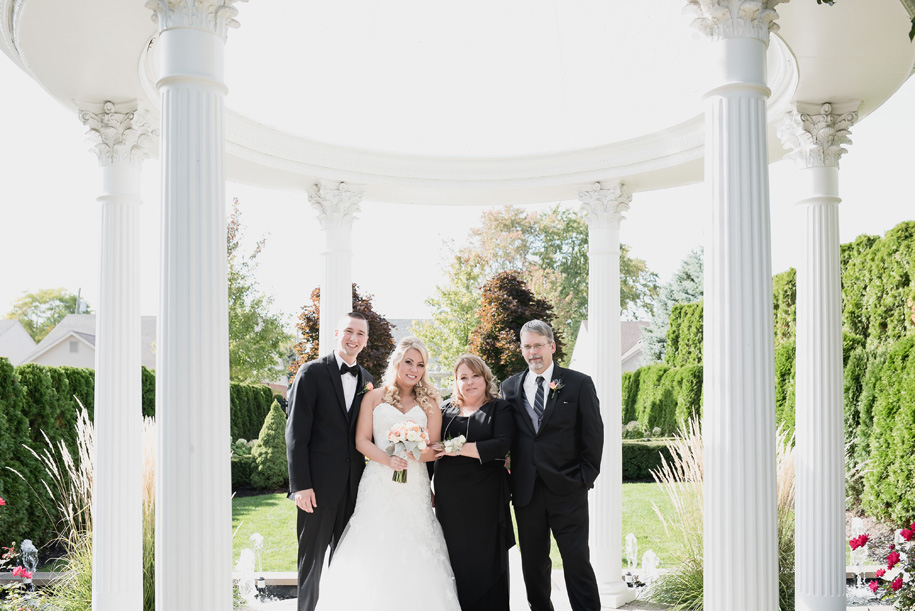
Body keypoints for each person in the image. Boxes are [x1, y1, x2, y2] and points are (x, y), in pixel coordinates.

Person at [315, 336, 461, 611]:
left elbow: (434, 448)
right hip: (379, 482)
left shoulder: (430, 401)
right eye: (408, 362)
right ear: (396, 362)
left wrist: (414, 450)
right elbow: (362, 440)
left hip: (413, 485)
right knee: (374, 543)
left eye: (420, 364)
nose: (414, 369)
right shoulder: (373, 397)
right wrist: (389, 459)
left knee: (416, 544)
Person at [500, 319, 604, 611]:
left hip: (568, 488)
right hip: (526, 490)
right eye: (527, 347)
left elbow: (593, 434)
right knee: (533, 563)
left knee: (576, 560)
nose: (533, 352)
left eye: (538, 345)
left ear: (552, 347)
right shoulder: (510, 387)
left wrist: (584, 477)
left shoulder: (578, 383)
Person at [285, 312, 374, 611]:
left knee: (347, 560)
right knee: (311, 563)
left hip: (354, 487)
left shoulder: (368, 381)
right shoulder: (311, 373)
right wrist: (301, 486)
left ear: (365, 340)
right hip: (317, 490)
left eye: (360, 334)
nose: (354, 338)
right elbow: (296, 434)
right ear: (336, 333)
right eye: (349, 331)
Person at [433, 354, 515, 611]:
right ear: (456, 382)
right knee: (454, 555)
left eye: (475, 376)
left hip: (485, 496)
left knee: (485, 557)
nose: (469, 382)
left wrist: (454, 448)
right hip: (450, 498)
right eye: (463, 378)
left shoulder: (499, 408)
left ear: (485, 378)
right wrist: (426, 487)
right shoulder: (444, 409)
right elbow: (430, 449)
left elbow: (501, 445)